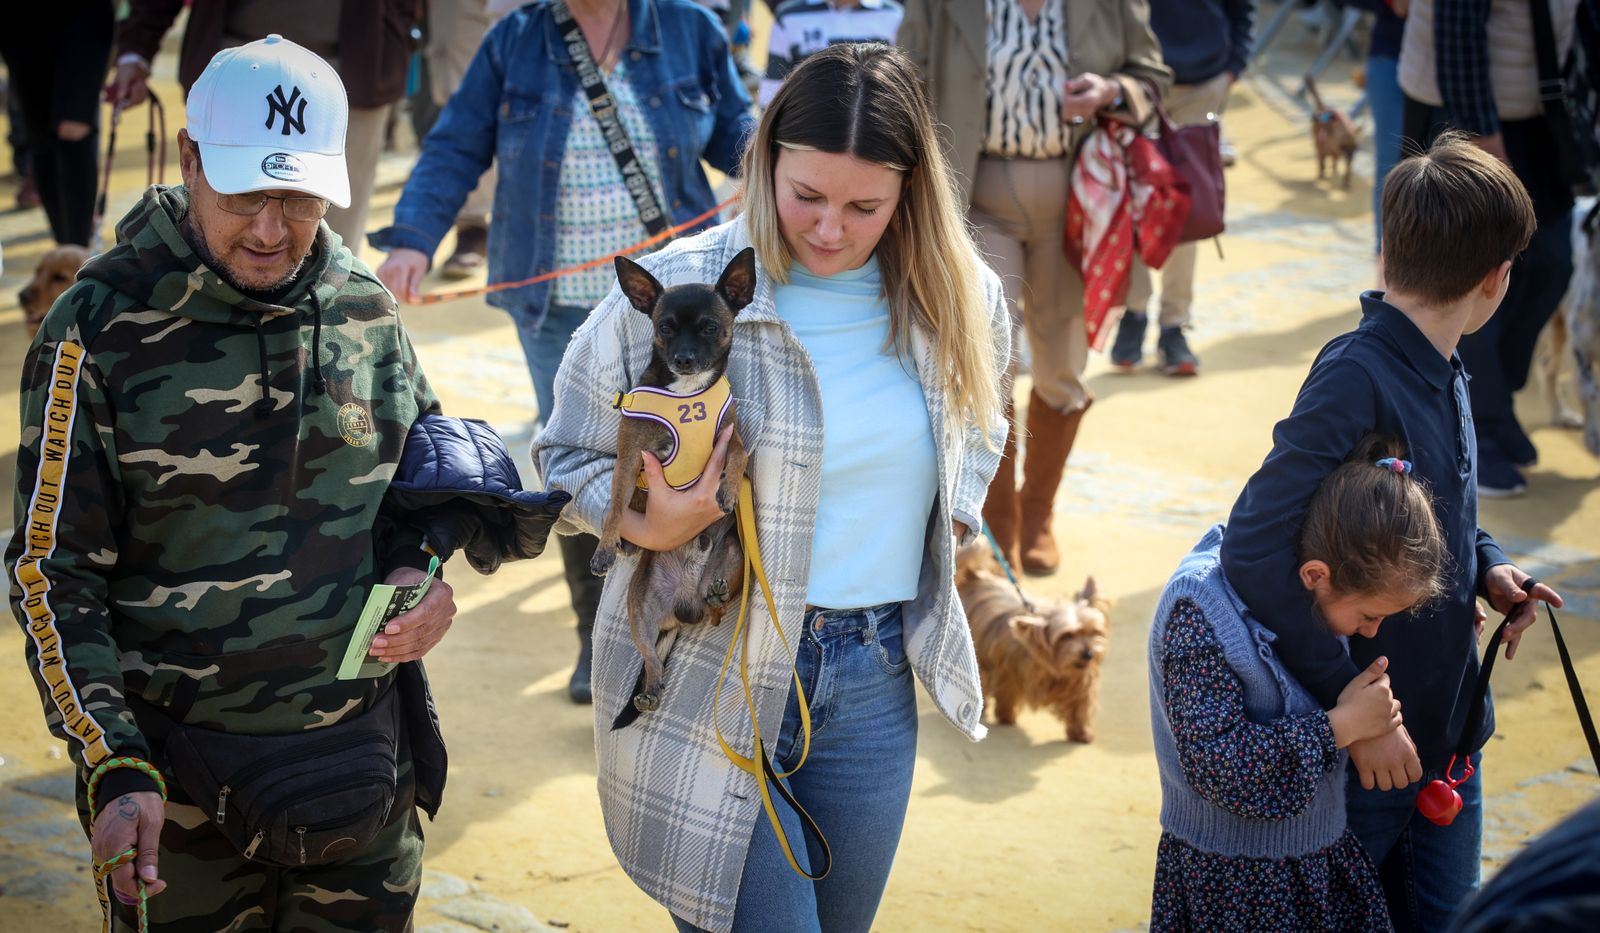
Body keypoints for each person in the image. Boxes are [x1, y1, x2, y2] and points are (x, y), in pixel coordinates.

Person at [533, 43, 1009, 933]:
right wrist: (645, 519)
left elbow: (979, 429)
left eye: (865, 205)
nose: (830, 229)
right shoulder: (692, 287)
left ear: (911, 192)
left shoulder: (960, 297)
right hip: (710, 667)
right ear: (764, 164)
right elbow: (562, 461)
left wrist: (951, 523)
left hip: (872, 682)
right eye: (806, 197)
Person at [6, 37, 457, 930]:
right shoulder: (95, 327)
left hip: (362, 780)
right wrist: (111, 761)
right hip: (175, 801)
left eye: (297, 197)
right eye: (248, 191)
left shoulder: (367, 306)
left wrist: (425, 573)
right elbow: (51, 574)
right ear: (189, 158)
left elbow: (428, 489)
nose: (269, 227)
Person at [1221, 133, 1566, 932]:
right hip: (1370, 755)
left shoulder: (1445, 360)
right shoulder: (1355, 373)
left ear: (1389, 252)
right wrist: (1352, 696)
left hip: (1449, 735)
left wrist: (1489, 566)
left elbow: (1438, 512)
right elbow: (1253, 544)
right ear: (1497, 280)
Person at [374, 0, 755, 706]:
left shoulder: (689, 27)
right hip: (556, 312)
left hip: (674, 316)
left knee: (692, 459)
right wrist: (413, 237)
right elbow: (456, 143)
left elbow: (740, 132)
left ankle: (690, 618)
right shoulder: (514, 41)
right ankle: (597, 632)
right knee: (591, 463)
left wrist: (774, 177)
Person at [899, 0, 1170, 576]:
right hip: (976, 198)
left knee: (1064, 368)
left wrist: (1110, 91)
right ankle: (997, 521)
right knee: (988, 361)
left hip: (1080, 204)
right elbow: (905, 75)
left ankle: (1039, 512)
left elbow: (1153, 78)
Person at [1151, 435, 1452, 932]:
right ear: (1316, 575)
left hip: (1319, 861)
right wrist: (1341, 726)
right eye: (1369, 615)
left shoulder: (1321, 593)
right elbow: (1217, 765)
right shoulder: (1201, 611)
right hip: (1234, 888)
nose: (1372, 633)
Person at [1396, 0, 1583, 495]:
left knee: (1550, 262)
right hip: (1461, 111)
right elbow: (1457, 38)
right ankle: (1475, 431)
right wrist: (1483, 141)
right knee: (1465, 279)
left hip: (1538, 111)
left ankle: (1494, 400)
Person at [107, 0, 420, 252]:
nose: (269, 234)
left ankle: (322, 322)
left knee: (334, 239)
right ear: (186, 160)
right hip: (230, 64)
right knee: (220, 230)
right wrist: (137, 46)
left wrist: (399, 35)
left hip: (353, 71)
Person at [1112, 0, 1253, 376]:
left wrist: (1233, 67)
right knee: (1135, 199)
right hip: (1138, 79)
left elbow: (1242, 9)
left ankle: (1174, 324)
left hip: (1203, 80)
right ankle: (1135, 311)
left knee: (1185, 210)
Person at [0, 2, 115, 247]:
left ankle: (77, 252)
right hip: (19, 19)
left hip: (83, 13)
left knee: (73, 127)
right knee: (39, 134)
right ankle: (63, 247)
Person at [759, 0, 905, 106]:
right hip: (807, 129)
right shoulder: (788, 16)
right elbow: (772, 90)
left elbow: (899, 88)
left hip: (873, 130)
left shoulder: (894, 15)